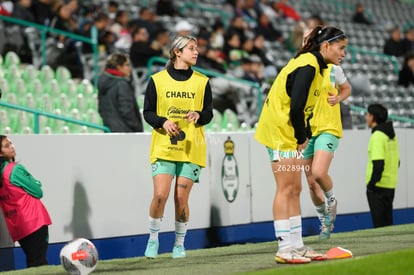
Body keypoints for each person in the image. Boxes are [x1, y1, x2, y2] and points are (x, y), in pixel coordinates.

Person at [254, 25, 347, 264]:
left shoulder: (317, 66)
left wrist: (302, 133)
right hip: (278, 132)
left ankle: (297, 246)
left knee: (295, 189)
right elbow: (296, 107)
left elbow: (303, 109)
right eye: (341, 48)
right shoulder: (307, 65)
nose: (344, 54)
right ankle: (284, 248)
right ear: (325, 46)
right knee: (286, 188)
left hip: (288, 131)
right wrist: (301, 137)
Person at [142, 35, 213, 259]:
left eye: (197, 48)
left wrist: (199, 115)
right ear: (177, 52)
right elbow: (148, 112)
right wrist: (163, 121)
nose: (196, 52)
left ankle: (179, 244)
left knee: (181, 199)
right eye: (191, 48)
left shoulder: (203, 81)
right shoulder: (157, 80)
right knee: (160, 195)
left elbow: (209, 113)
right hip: (164, 146)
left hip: (192, 148)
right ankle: (153, 239)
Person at [303, 64, 352, 240]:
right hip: (307, 131)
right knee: (311, 182)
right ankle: (324, 221)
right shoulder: (303, 68)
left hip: (328, 128)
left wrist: (339, 98)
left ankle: (331, 201)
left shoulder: (333, 69)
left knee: (318, 172)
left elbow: (347, 88)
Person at [0, 135, 52, 268]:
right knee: (39, 263)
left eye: (11, 143)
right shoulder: (15, 169)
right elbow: (38, 191)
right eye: (7, 146)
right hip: (34, 222)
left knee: (33, 260)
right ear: (0, 153)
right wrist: (36, 182)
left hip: (17, 225)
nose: (12, 146)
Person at [365, 103, 400, 228]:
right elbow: (397, 162)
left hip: (377, 188)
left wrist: (371, 185)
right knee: (388, 225)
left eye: (368, 114)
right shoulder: (391, 136)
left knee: (379, 227)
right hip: (390, 184)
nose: (366, 117)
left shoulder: (377, 136)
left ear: (373, 117)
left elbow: (378, 164)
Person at [97, 53, 143, 132]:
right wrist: (137, 128)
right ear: (119, 67)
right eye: (127, 65)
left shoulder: (103, 83)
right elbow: (127, 111)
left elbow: (101, 109)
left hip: (110, 129)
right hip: (125, 132)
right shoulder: (122, 84)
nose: (129, 68)